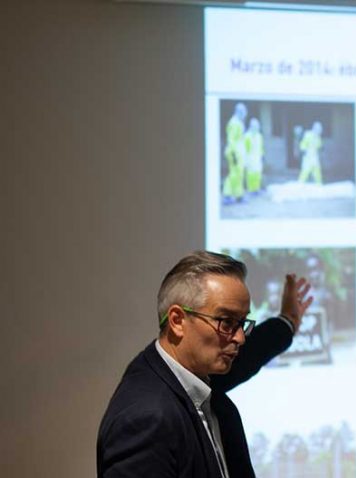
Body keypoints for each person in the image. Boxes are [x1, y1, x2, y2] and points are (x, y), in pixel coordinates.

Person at [97, 251, 313, 477]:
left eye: (241, 323)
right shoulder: (146, 417)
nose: (239, 338)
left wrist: (287, 322)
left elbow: (248, 356)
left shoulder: (190, 373)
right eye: (226, 322)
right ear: (178, 321)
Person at [223, 103, 248, 203]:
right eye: (243, 111)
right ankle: (227, 195)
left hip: (239, 153)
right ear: (239, 111)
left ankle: (238, 195)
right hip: (234, 153)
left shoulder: (239, 122)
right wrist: (233, 154)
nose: (244, 114)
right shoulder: (234, 123)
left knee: (239, 175)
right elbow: (231, 139)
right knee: (233, 174)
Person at [244, 118, 265, 194]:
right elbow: (245, 148)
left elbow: (261, 147)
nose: (256, 127)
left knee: (258, 173)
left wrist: (262, 155)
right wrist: (245, 159)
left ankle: (256, 189)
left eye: (257, 126)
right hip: (249, 157)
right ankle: (251, 189)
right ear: (251, 126)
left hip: (257, 157)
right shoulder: (247, 136)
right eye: (254, 126)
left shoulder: (259, 136)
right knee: (250, 174)